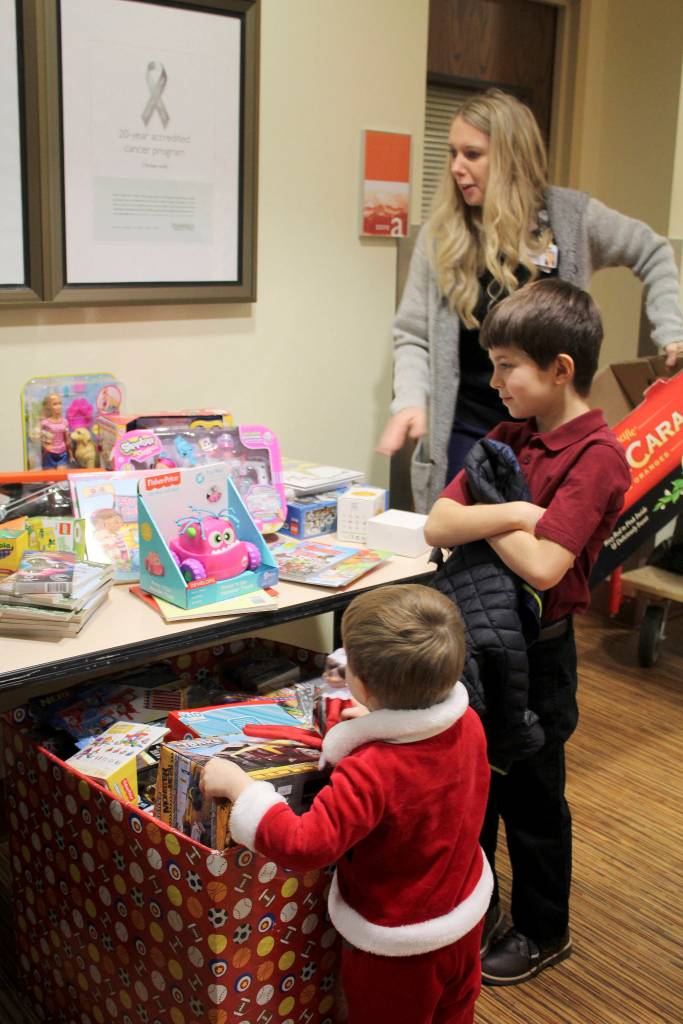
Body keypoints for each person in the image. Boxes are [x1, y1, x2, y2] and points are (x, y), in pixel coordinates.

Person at [424, 277, 632, 986]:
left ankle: (545, 931)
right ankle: (477, 911)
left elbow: (545, 568)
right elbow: (438, 524)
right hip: (480, 646)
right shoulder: (508, 435)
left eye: (506, 366)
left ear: (560, 369)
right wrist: (514, 513)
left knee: (534, 802)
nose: (493, 381)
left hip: (541, 658)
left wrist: (486, 514)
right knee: (475, 789)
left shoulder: (597, 457)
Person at [377, 88, 683, 514]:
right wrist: (410, 401)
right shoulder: (442, 235)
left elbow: (652, 251)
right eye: (452, 153)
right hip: (469, 430)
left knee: (542, 545)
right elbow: (413, 336)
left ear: (510, 156)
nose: (456, 167)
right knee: (459, 544)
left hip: (550, 437)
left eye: (472, 154)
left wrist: (671, 330)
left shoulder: (572, 219)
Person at [201, 584, 492, 1024]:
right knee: (454, 1012)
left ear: (363, 686)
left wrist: (243, 790)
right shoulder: (467, 722)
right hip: (463, 916)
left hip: (398, 946)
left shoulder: (372, 769)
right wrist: (379, 720)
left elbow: (305, 844)